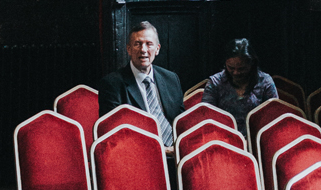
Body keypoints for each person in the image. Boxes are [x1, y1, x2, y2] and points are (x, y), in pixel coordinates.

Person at [99, 20, 183, 148]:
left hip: (176, 150)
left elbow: (181, 122)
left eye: (149, 44)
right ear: (129, 49)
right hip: (139, 152)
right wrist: (160, 149)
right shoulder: (112, 84)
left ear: (157, 49)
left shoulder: (171, 79)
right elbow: (114, 132)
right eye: (137, 44)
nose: (143, 50)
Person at [200, 38, 277, 128]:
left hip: (256, 137)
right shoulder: (215, 82)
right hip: (223, 136)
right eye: (231, 68)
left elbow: (273, 117)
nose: (236, 73)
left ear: (251, 64)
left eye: (241, 69)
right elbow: (206, 116)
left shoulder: (265, 81)